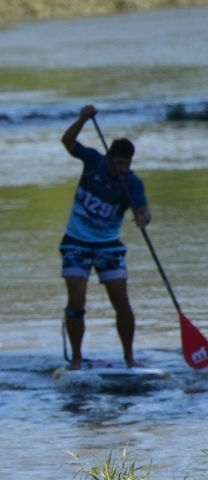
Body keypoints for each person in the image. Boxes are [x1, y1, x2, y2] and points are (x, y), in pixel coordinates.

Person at [59, 105, 150, 369]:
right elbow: (68, 141)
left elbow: (143, 207)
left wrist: (144, 218)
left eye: (127, 164)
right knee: (76, 298)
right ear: (110, 158)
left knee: (121, 301)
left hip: (109, 246)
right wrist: (83, 119)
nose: (123, 168)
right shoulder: (93, 160)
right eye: (119, 163)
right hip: (76, 242)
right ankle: (76, 360)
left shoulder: (131, 182)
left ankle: (130, 358)